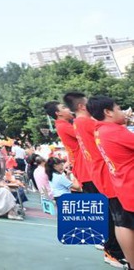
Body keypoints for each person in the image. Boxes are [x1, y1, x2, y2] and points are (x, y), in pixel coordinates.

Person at [66, 92, 127, 267]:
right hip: (99, 172)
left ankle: (112, 249)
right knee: (116, 216)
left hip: (93, 171)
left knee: (113, 215)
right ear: (82, 106)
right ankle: (112, 251)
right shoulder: (85, 122)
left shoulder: (78, 123)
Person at [89, 95, 134, 265]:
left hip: (122, 185)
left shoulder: (101, 130)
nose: (122, 111)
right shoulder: (116, 131)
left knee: (124, 224)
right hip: (130, 184)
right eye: (118, 108)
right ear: (108, 112)